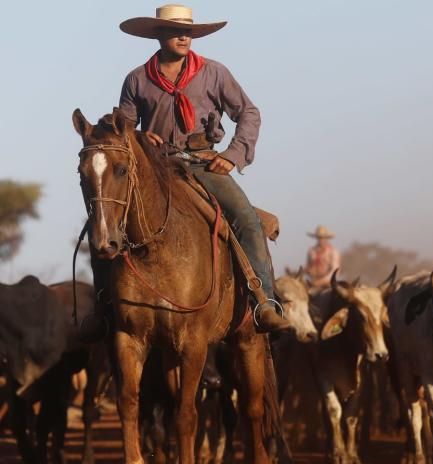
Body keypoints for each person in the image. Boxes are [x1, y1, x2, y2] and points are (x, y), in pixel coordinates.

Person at [80, 4, 289, 340]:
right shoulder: (136, 79)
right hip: (157, 167)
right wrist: (137, 136)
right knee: (105, 223)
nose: (183, 37)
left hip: (205, 162)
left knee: (247, 221)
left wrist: (233, 156)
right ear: (158, 35)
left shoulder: (215, 72)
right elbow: (123, 131)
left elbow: (249, 113)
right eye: (176, 31)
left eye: (188, 32)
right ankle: (105, 309)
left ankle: (264, 302)